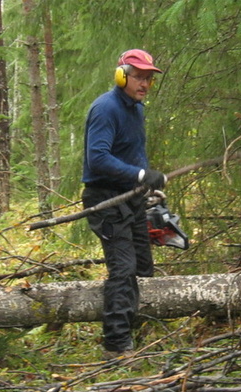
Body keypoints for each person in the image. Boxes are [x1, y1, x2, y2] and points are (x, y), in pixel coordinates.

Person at [81, 49, 167, 360]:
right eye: (139, 77)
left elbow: (132, 154)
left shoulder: (136, 109)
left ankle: (139, 331)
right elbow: (98, 158)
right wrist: (140, 174)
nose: (144, 84)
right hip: (106, 199)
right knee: (124, 269)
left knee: (143, 267)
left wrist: (147, 184)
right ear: (121, 76)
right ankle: (116, 346)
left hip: (131, 198)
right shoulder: (106, 108)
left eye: (148, 79)